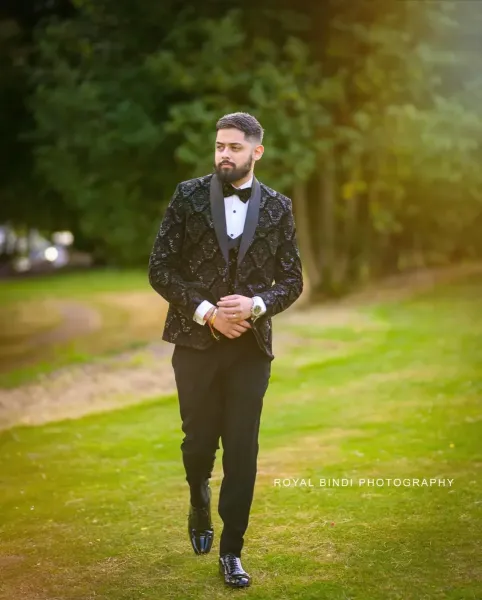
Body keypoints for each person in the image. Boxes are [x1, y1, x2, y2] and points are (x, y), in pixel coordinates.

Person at [148, 112, 303, 588]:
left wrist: (256, 305)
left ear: (256, 151)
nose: (224, 154)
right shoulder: (187, 196)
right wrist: (206, 311)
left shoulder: (279, 207)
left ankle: (232, 550)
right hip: (194, 343)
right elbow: (160, 269)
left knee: (242, 449)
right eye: (219, 146)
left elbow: (293, 281)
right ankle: (198, 492)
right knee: (198, 443)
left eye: (234, 147)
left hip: (251, 350)